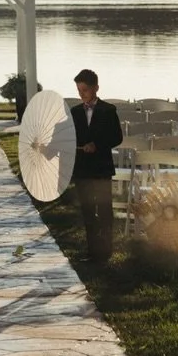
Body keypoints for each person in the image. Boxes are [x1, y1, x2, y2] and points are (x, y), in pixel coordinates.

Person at [69, 68, 124, 265]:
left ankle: (107, 250)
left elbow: (117, 137)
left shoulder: (108, 110)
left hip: (101, 168)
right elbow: (69, 138)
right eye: (78, 90)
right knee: (87, 210)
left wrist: (97, 145)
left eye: (84, 90)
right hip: (82, 169)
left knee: (104, 209)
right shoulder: (74, 112)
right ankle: (93, 251)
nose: (81, 94)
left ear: (96, 88)